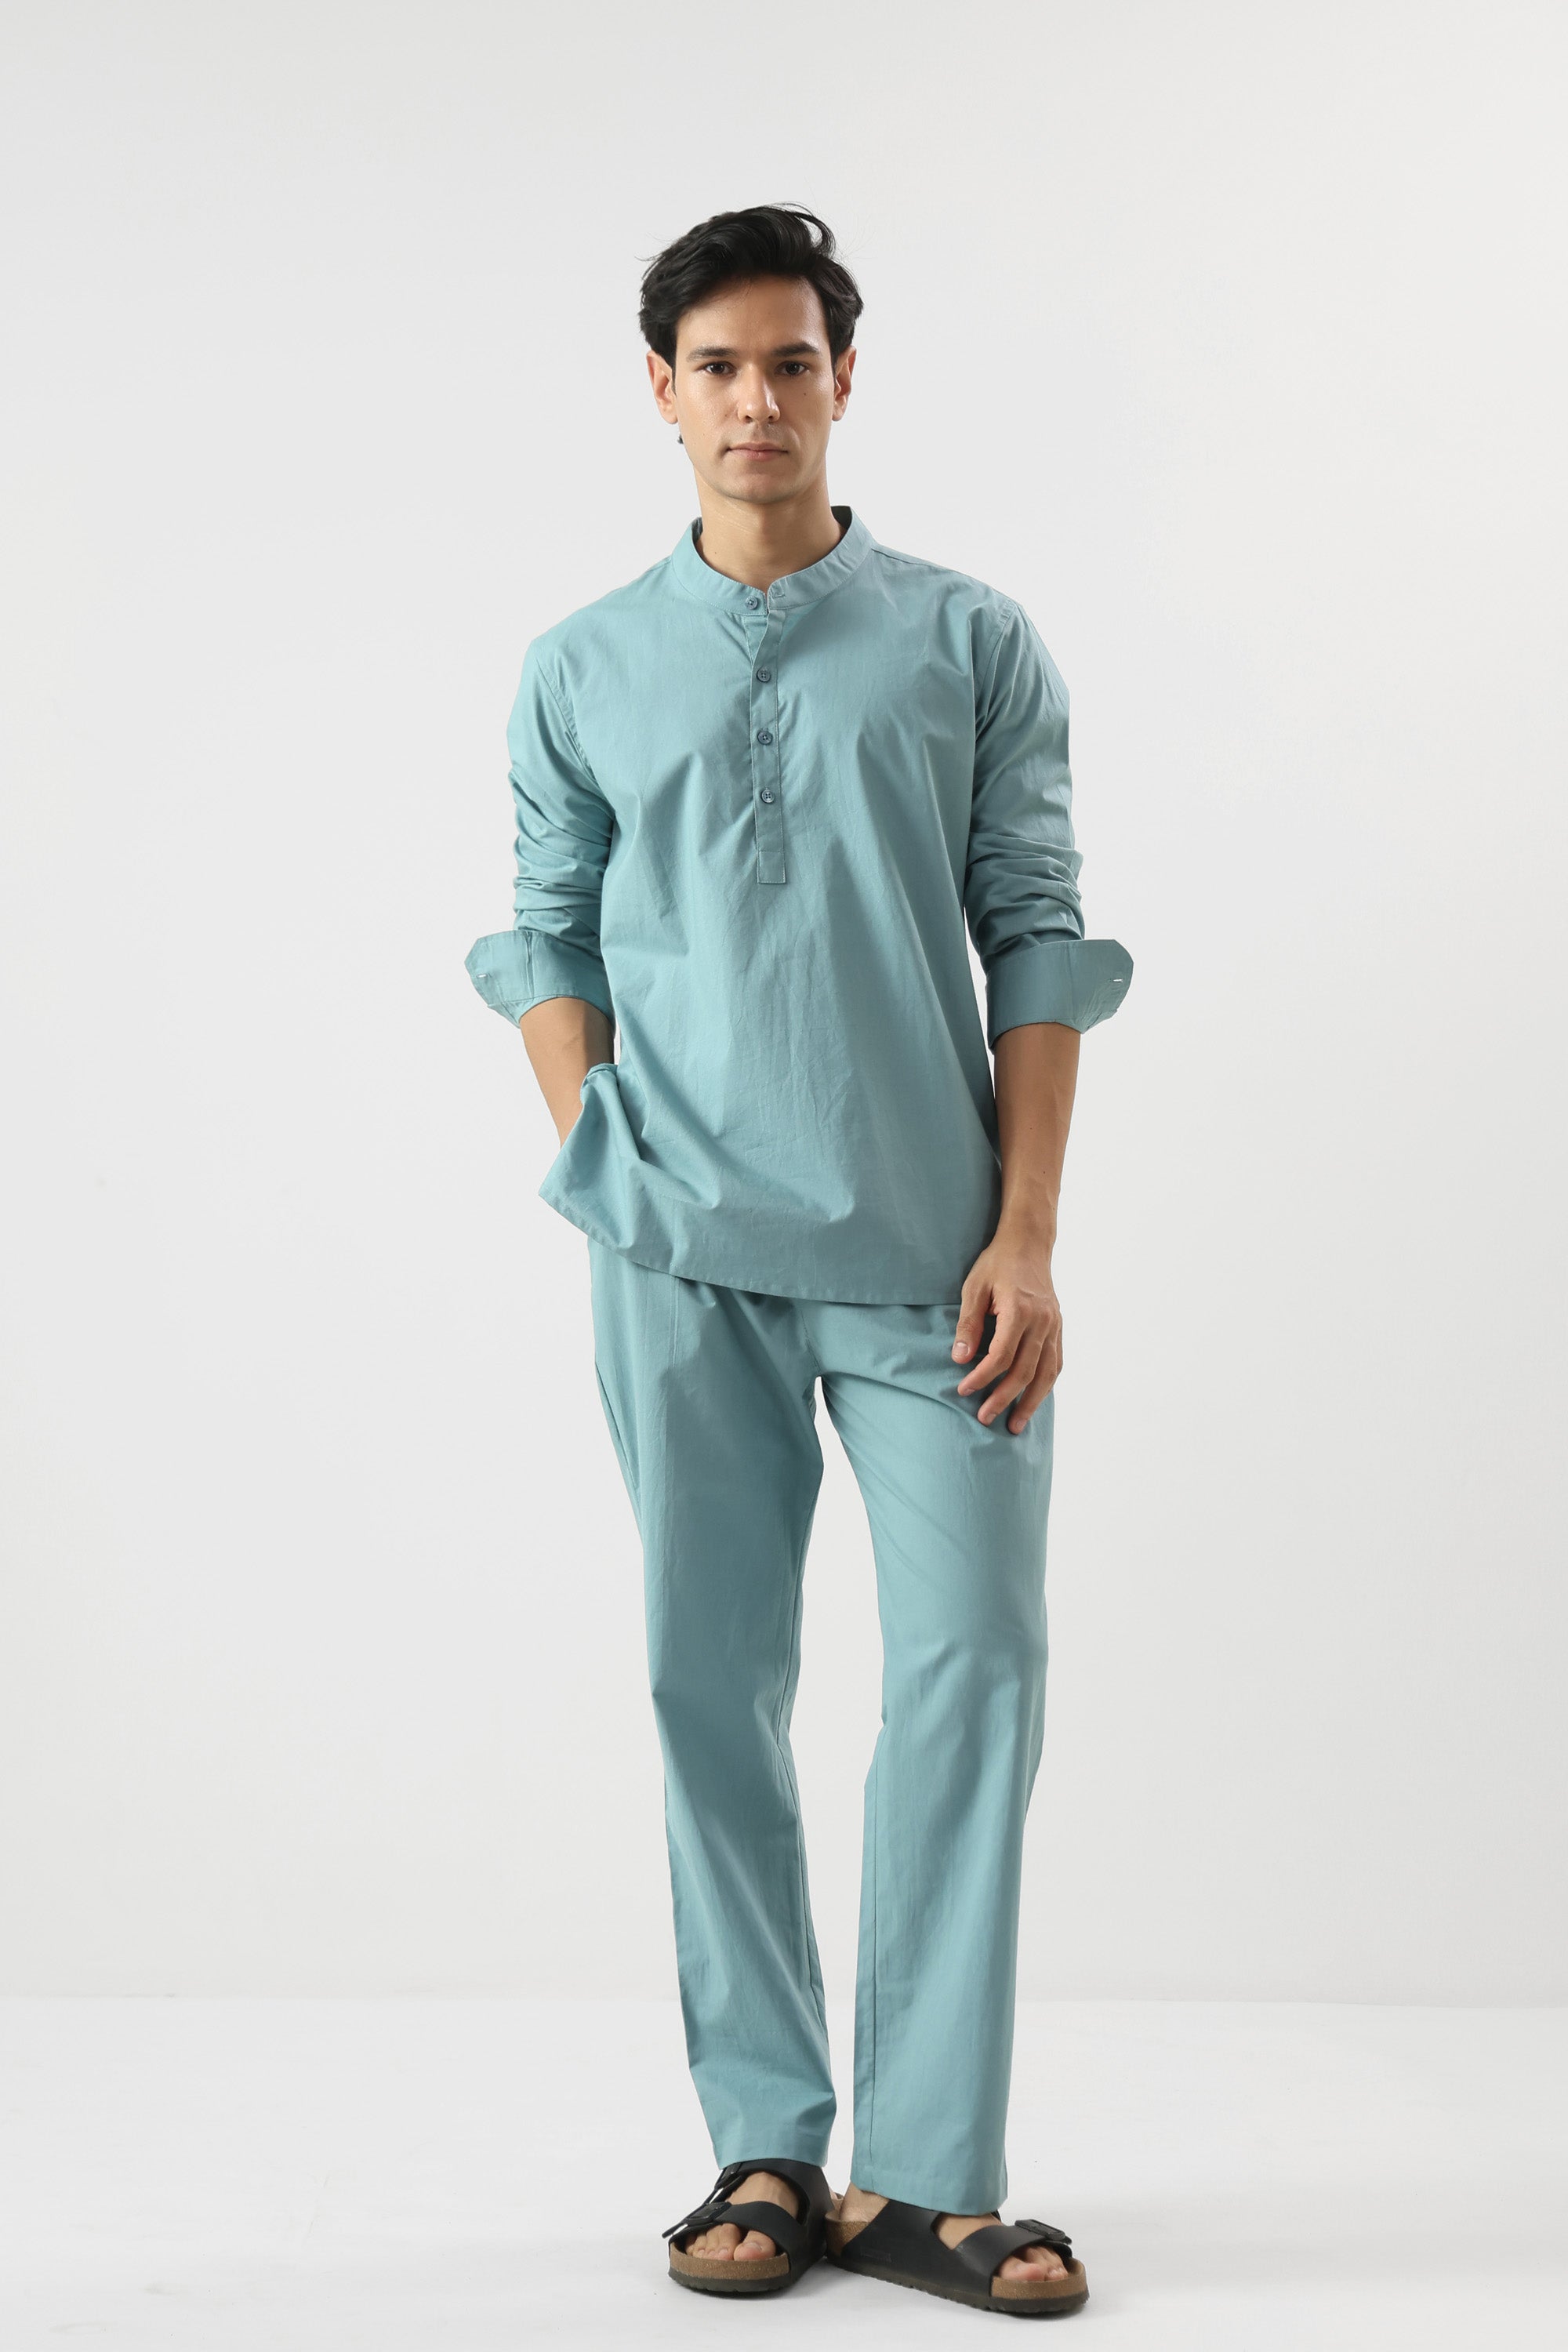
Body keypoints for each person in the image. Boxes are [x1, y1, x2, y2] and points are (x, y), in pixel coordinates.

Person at [464, 203, 1131, 2318]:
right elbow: (544, 928)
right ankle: (765, 2142)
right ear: (660, 393)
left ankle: (931, 2177)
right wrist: (599, 1155)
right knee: (710, 1684)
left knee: (976, 1665)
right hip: (676, 1252)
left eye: (791, 362)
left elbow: (1037, 934)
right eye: (719, 366)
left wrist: (1029, 1230)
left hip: (940, 1257)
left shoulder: (968, 641)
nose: (758, 399)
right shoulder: (581, 664)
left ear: (847, 380)